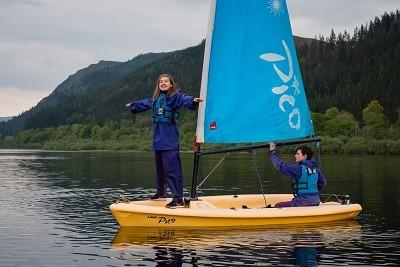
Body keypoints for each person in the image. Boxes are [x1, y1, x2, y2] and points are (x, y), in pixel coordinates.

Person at [125, 74, 203, 208]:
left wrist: (193, 101)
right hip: (158, 141)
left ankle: (178, 199)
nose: (163, 83)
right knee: (160, 170)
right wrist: (133, 105)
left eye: (166, 81)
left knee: (172, 171)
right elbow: (144, 103)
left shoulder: (174, 97)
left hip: (170, 141)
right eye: (161, 81)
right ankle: (161, 193)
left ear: (171, 84)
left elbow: (184, 99)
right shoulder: (156, 100)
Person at [268, 142, 326, 208]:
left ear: (305, 156)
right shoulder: (316, 170)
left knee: (278, 205)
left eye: (298, 154)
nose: (295, 156)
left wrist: (272, 151)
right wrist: (311, 193)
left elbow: (280, 166)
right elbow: (322, 184)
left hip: (303, 201)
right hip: (316, 201)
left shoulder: (298, 169)